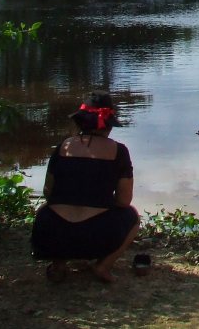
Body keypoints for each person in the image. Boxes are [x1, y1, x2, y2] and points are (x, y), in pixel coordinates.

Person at [31, 90, 140, 283]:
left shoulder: (63, 147)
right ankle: (103, 267)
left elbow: (49, 192)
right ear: (108, 124)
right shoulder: (119, 151)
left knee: (43, 210)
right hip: (96, 237)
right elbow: (124, 201)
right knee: (132, 215)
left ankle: (58, 264)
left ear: (81, 121)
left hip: (53, 234)